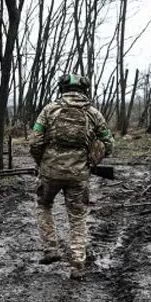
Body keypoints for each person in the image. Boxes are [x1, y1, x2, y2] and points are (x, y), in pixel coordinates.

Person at [29, 73, 114, 280]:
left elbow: (35, 141)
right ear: (85, 91)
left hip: (50, 172)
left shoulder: (49, 110)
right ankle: (78, 264)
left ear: (62, 89)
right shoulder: (94, 113)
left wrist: (42, 163)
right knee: (77, 217)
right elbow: (109, 144)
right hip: (79, 175)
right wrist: (92, 159)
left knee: (44, 205)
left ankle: (51, 249)